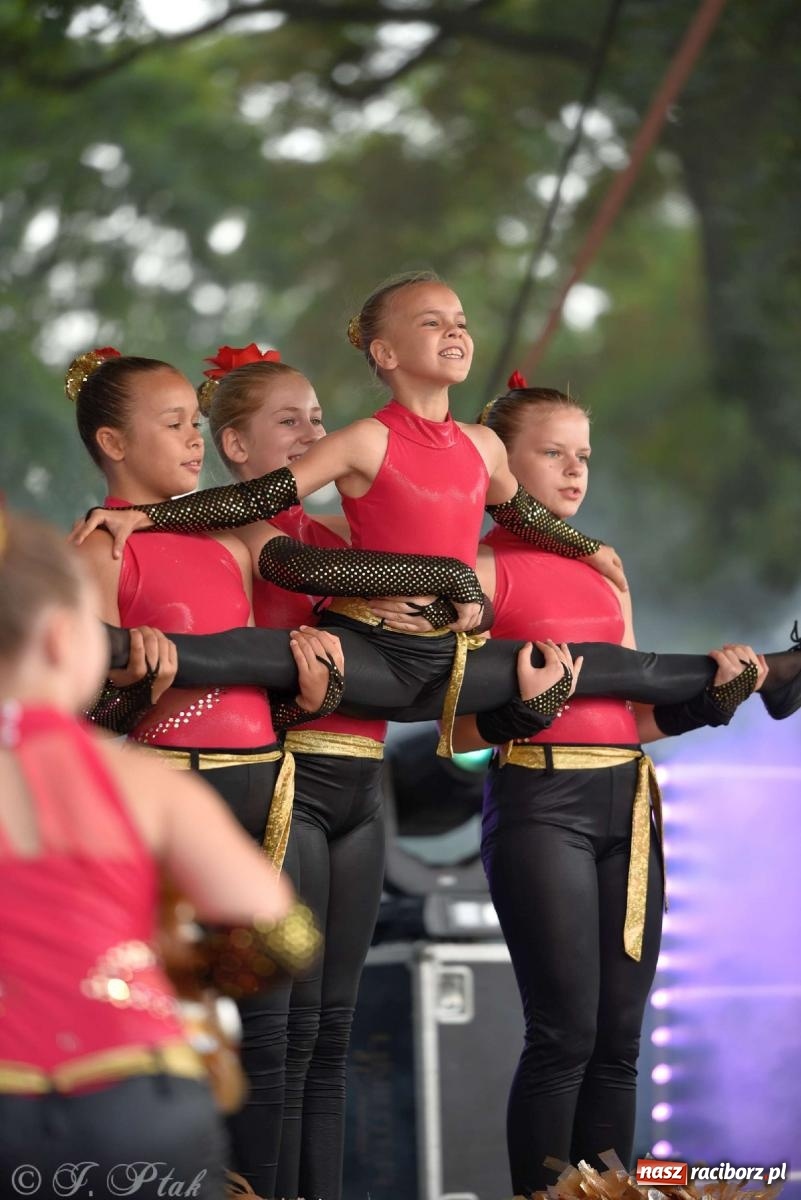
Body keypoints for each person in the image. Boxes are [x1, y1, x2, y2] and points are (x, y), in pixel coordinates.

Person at [70, 272, 801, 737]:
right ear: (383, 355)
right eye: (430, 321)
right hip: (372, 651)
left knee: (605, 667)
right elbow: (263, 503)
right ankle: (101, 646)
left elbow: (520, 517)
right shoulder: (363, 441)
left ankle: (775, 673)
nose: (454, 329)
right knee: (264, 655)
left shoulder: (483, 445)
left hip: (454, 658)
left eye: (459, 319)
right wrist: (149, 516)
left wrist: (586, 547)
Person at [441, 379, 765, 1196]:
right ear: (501, 468)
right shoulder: (477, 571)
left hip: (628, 802)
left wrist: (707, 705)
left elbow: (632, 721)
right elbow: (453, 735)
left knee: (621, 1037)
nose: (574, 470)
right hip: (538, 804)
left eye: (582, 454)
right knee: (564, 1034)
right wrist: (527, 709)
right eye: (552, 453)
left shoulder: (604, 572)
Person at [65, 347, 343, 1197]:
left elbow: (266, 689)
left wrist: (313, 686)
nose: (194, 439)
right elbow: (78, 712)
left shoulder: (235, 535)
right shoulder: (100, 549)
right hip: (172, 804)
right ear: (113, 442)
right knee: (192, 1027)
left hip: (272, 793)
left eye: (197, 421)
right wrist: (130, 683)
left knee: (284, 1032)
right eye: (174, 423)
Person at [0, 508, 320, 1199]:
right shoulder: (140, 781)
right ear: (62, 639)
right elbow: (282, 936)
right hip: (135, 1101)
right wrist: (178, 967)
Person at [200, 344, 389, 1200]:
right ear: (235, 446)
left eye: (320, 420)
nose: (315, 434)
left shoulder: (338, 535)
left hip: (364, 783)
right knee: (275, 1037)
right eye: (291, 422)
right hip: (284, 783)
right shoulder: (237, 532)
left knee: (330, 1035)